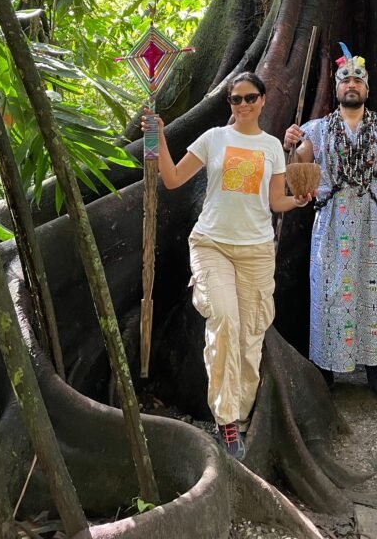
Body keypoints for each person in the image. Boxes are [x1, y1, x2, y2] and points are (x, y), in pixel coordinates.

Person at [145, 71, 311, 461]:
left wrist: (298, 200)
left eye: (250, 97)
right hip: (212, 244)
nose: (243, 104)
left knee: (250, 334)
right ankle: (227, 422)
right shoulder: (213, 138)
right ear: (230, 104)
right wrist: (157, 137)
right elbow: (172, 178)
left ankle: (242, 411)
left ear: (263, 100)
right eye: (236, 99)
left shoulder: (272, 146)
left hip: (256, 250)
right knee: (223, 323)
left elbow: (275, 201)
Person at [283, 46, 377, 400]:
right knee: (329, 292)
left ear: (367, 88)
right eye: (345, 79)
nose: (351, 84)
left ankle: (375, 369)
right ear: (336, 87)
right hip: (331, 220)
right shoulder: (317, 129)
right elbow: (297, 166)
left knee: (373, 294)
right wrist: (289, 146)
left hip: (371, 219)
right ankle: (326, 368)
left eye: (358, 79)